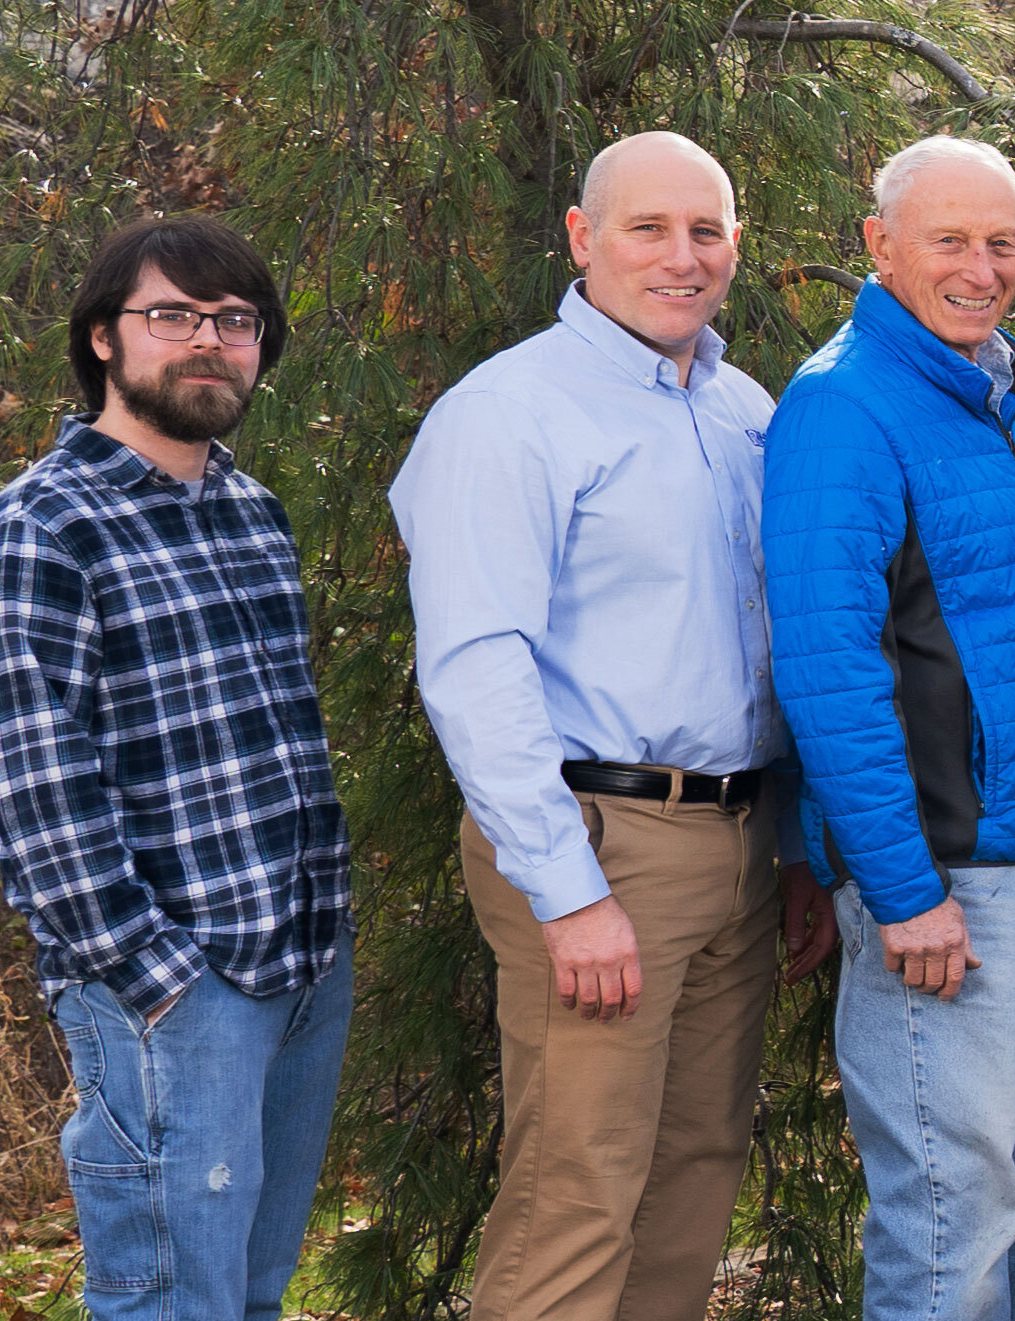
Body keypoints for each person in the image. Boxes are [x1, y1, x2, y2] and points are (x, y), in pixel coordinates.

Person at [394, 130, 835, 1321]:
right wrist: (568, 888)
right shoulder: (511, 414)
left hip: (737, 845)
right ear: (585, 239)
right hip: (598, 844)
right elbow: (477, 667)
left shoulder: (744, 409)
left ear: (737, 245)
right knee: (576, 1195)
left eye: (707, 230)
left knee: (692, 1181)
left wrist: (790, 847)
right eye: (649, 228)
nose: (681, 256)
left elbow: (767, 652)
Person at [0, 213, 353, 1321]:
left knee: (252, 1295)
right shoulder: (39, 529)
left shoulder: (250, 512)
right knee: (169, 1301)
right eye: (172, 315)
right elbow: (42, 799)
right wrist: (159, 982)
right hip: (177, 988)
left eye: (236, 321)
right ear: (101, 339)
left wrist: (322, 945)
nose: (208, 341)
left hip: (304, 962)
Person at [763, 135, 1015, 1321]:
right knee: (949, 1212)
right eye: (949, 241)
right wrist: (904, 889)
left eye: (1000, 242)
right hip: (946, 878)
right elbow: (828, 672)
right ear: (879, 246)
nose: (980, 268)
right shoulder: (846, 405)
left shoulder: (1002, 400)